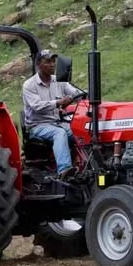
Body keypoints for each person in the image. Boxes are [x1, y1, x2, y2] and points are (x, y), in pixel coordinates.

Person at [22, 49, 82, 179]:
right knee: (59, 133)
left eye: (54, 61)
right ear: (38, 64)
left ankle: (85, 165)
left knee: (81, 131)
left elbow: (76, 92)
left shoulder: (59, 80)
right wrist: (58, 102)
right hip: (38, 126)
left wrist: (80, 95)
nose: (52, 65)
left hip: (58, 122)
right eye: (48, 61)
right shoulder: (29, 85)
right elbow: (37, 106)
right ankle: (64, 170)